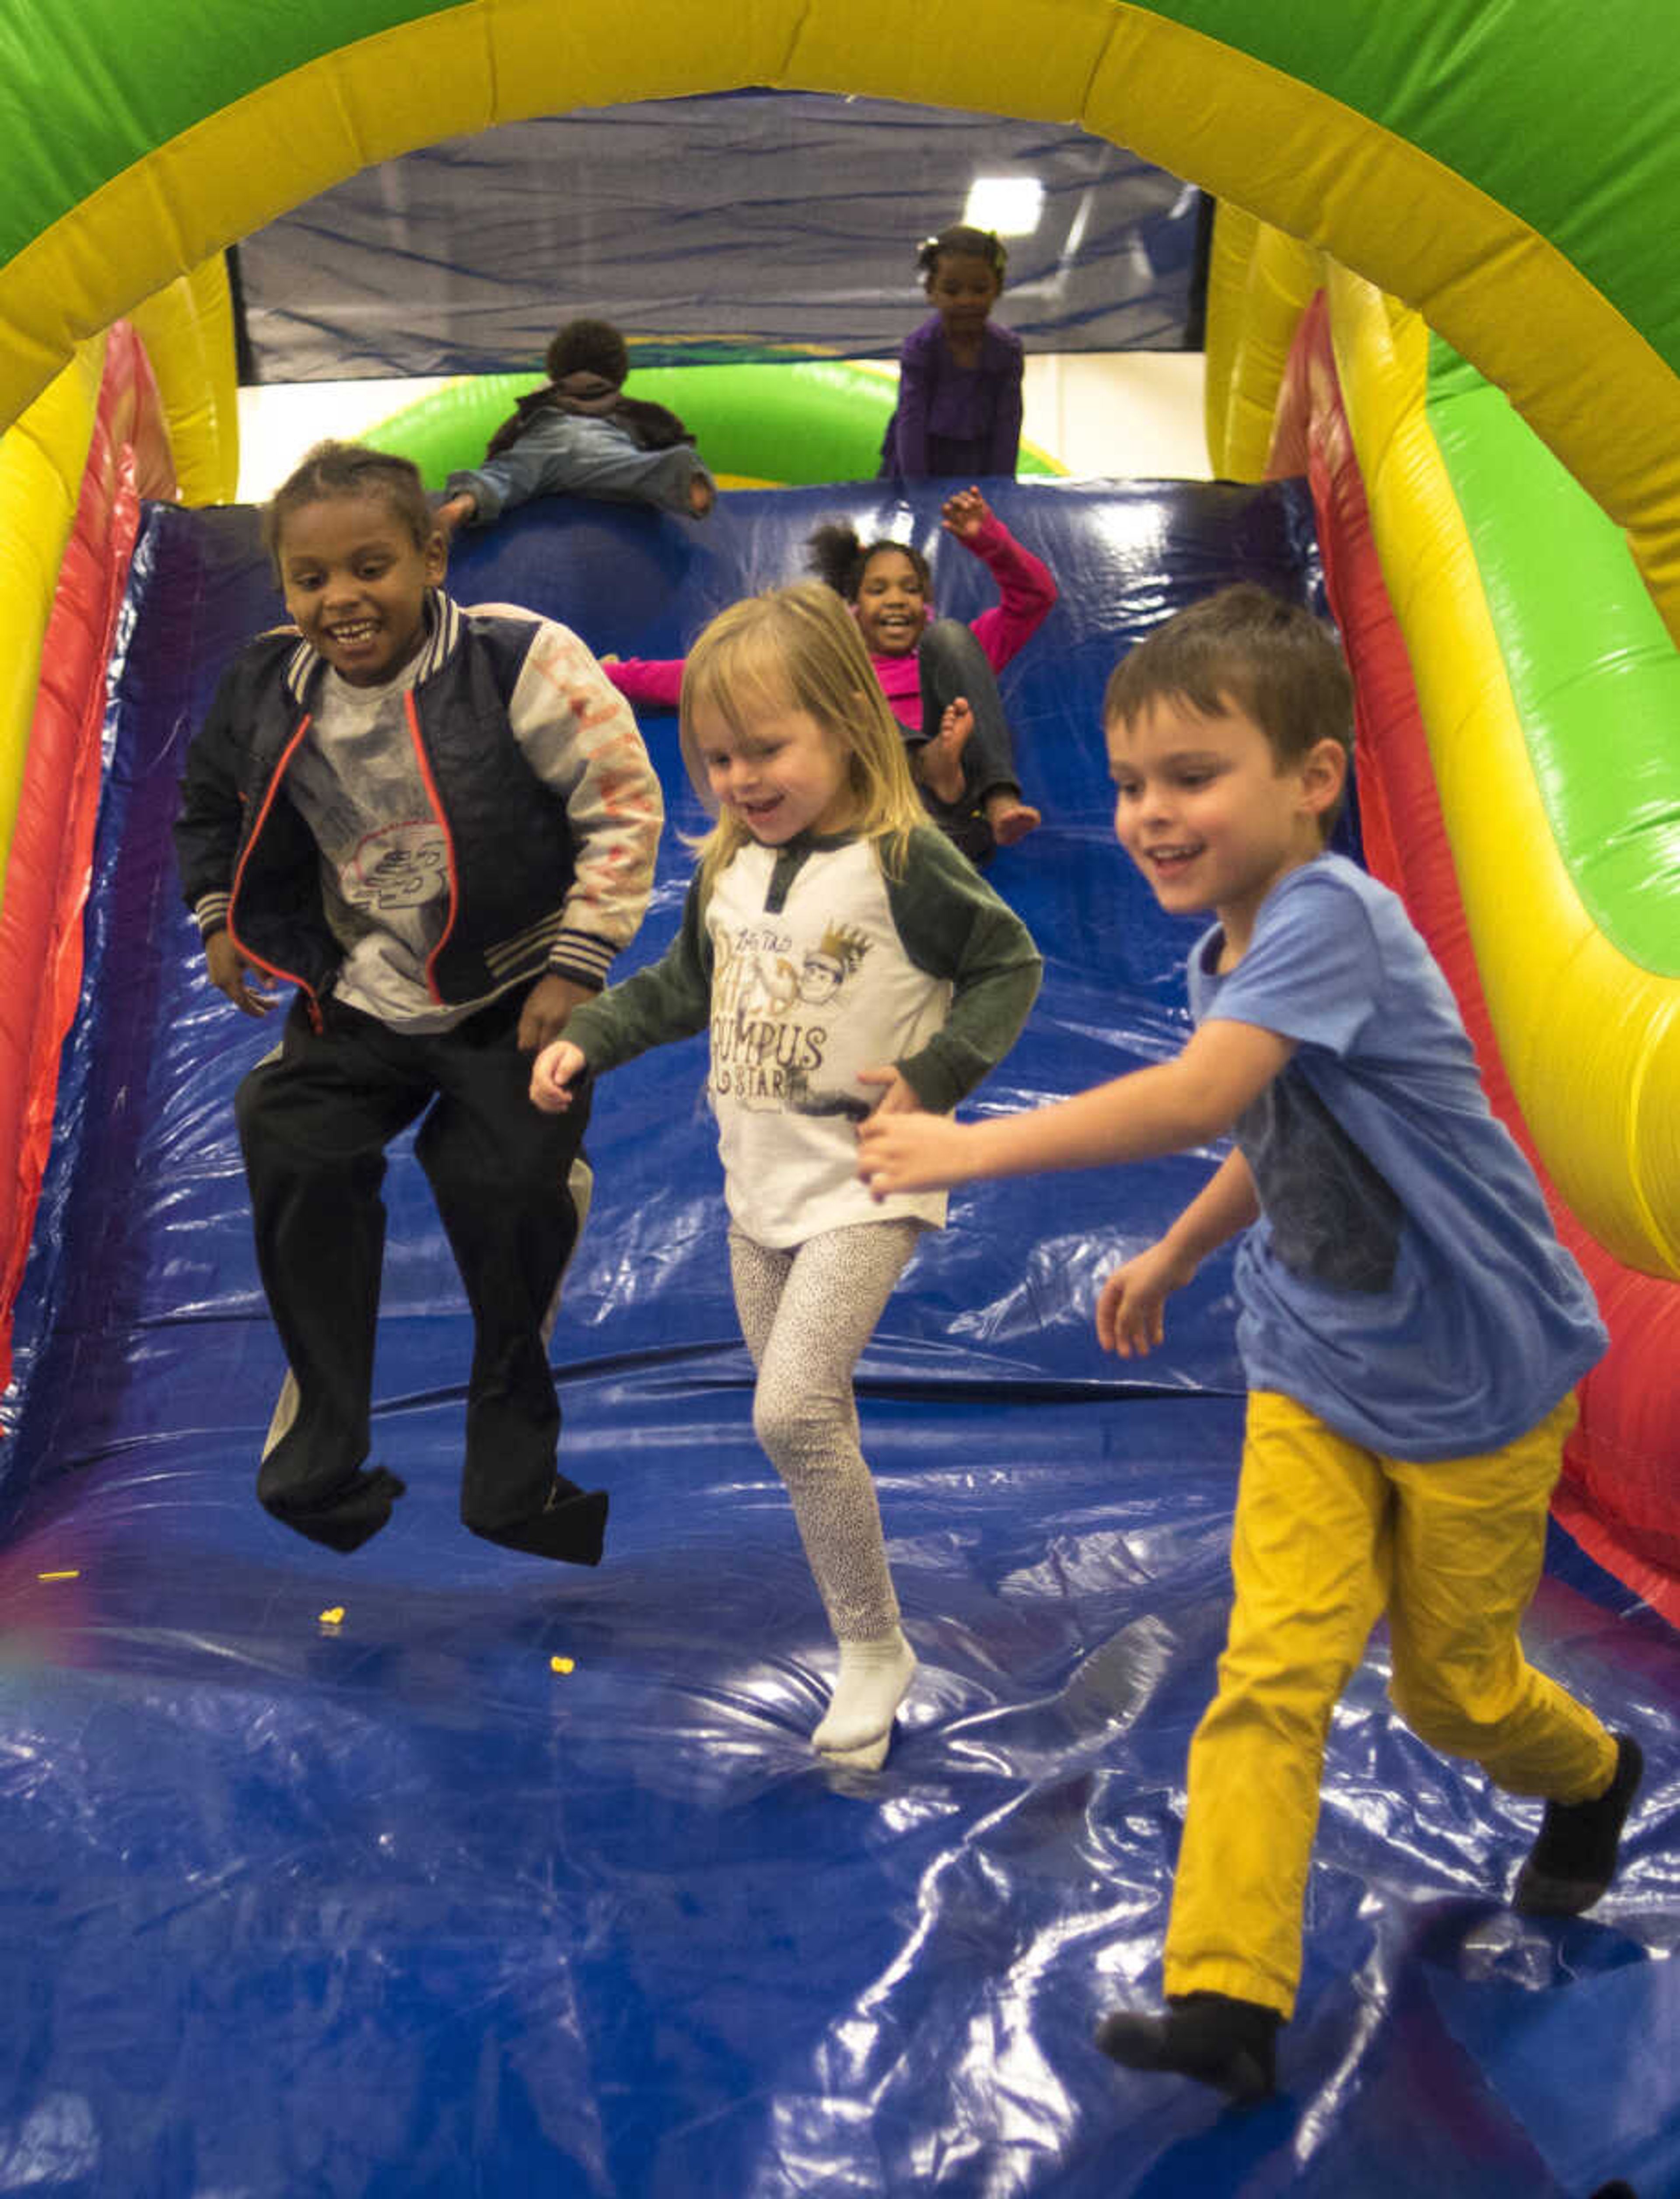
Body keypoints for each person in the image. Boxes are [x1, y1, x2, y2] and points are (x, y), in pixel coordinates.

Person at [855, 583, 1641, 2096]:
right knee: (1272, 1666)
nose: (1149, 813)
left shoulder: (1334, 918)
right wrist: (1173, 1249)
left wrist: (965, 1147)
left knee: (1453, 1691)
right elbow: (1267, 1132)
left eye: (1192, 777)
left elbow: (1202, 1100)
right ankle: (1228, 1993)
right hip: (1317, 1368)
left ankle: (1599, 1774)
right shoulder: (1230, 959)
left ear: (1314, 779)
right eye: (1133, 782)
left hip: (1476, 1380)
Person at [531, 582, 1041, 1769]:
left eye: (768, 749)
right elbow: (678, 989)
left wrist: (939, 1070)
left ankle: (874, 1652)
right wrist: (589, 1037)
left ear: (850, 725)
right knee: (811, 1432)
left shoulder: (904, 861)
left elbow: (1007, 964)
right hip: (756, 1193)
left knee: (792, 1408)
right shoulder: (726, 870)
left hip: (867, 1181)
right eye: (716, 759)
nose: (742, 779)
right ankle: (869, 1632)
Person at [173, 440, 664, 1563]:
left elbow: (622, 806)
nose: (342, 599)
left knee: (497, 1184)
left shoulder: (517, 660)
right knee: (287, 1132)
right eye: (311, 579)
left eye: (371, 566)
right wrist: (218, 916)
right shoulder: (267, 680)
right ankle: (324, 1447)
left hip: (508, 992)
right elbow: (207, 798)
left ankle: (513, 1483)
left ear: (431, 556)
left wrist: (575, 964)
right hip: (364, 994)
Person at [606, 485, 1053, 863]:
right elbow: (712, 672)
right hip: (877, 805)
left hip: (953, 816)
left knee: (954, 638)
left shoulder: (951, 659)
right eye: (878, 590)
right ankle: (923, 762)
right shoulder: (831, 663)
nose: (897, 600)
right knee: (839, 686)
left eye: (911, 590)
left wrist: (988, 539)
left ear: (926, 605)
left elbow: (1035, 597)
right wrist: (611, 675)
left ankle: (997, 799)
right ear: (855, 610)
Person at [435, 316, 715, 536]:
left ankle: (467, 501)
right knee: (644, 469)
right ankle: (684, 480)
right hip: (603, 453)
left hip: (545, 441)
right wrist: (680, 455)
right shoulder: (635, 410)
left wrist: (501, 466)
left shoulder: (536, 406)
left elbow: (499, 450)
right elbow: (674, 436)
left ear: (557, 369)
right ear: (618, 372)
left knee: (505, 475)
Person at [878, 224, 1022, 482]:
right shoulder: (921, 348)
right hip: (920, 462)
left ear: (998, 288)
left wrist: (1002, 487)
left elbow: (1008, 424)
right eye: (952, 291)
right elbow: (912, 422)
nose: (966, 300)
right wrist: (917, 491)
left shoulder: (1007, 351)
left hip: (977, 463)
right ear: (931, 291)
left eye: (979, 290)